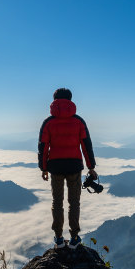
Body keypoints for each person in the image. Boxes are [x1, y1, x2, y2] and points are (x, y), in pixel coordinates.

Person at [38, 88, 98, 249]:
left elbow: (43, 147)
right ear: (70, 100)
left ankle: (58, 238)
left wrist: (43, 168)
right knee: (74, 202)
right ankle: (74, 238)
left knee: (57, 202)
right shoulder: (79, 121)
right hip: (74, 166)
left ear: (54, 101)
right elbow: (86, 145)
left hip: (55, 167)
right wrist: (91, 167)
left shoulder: (48, 122)